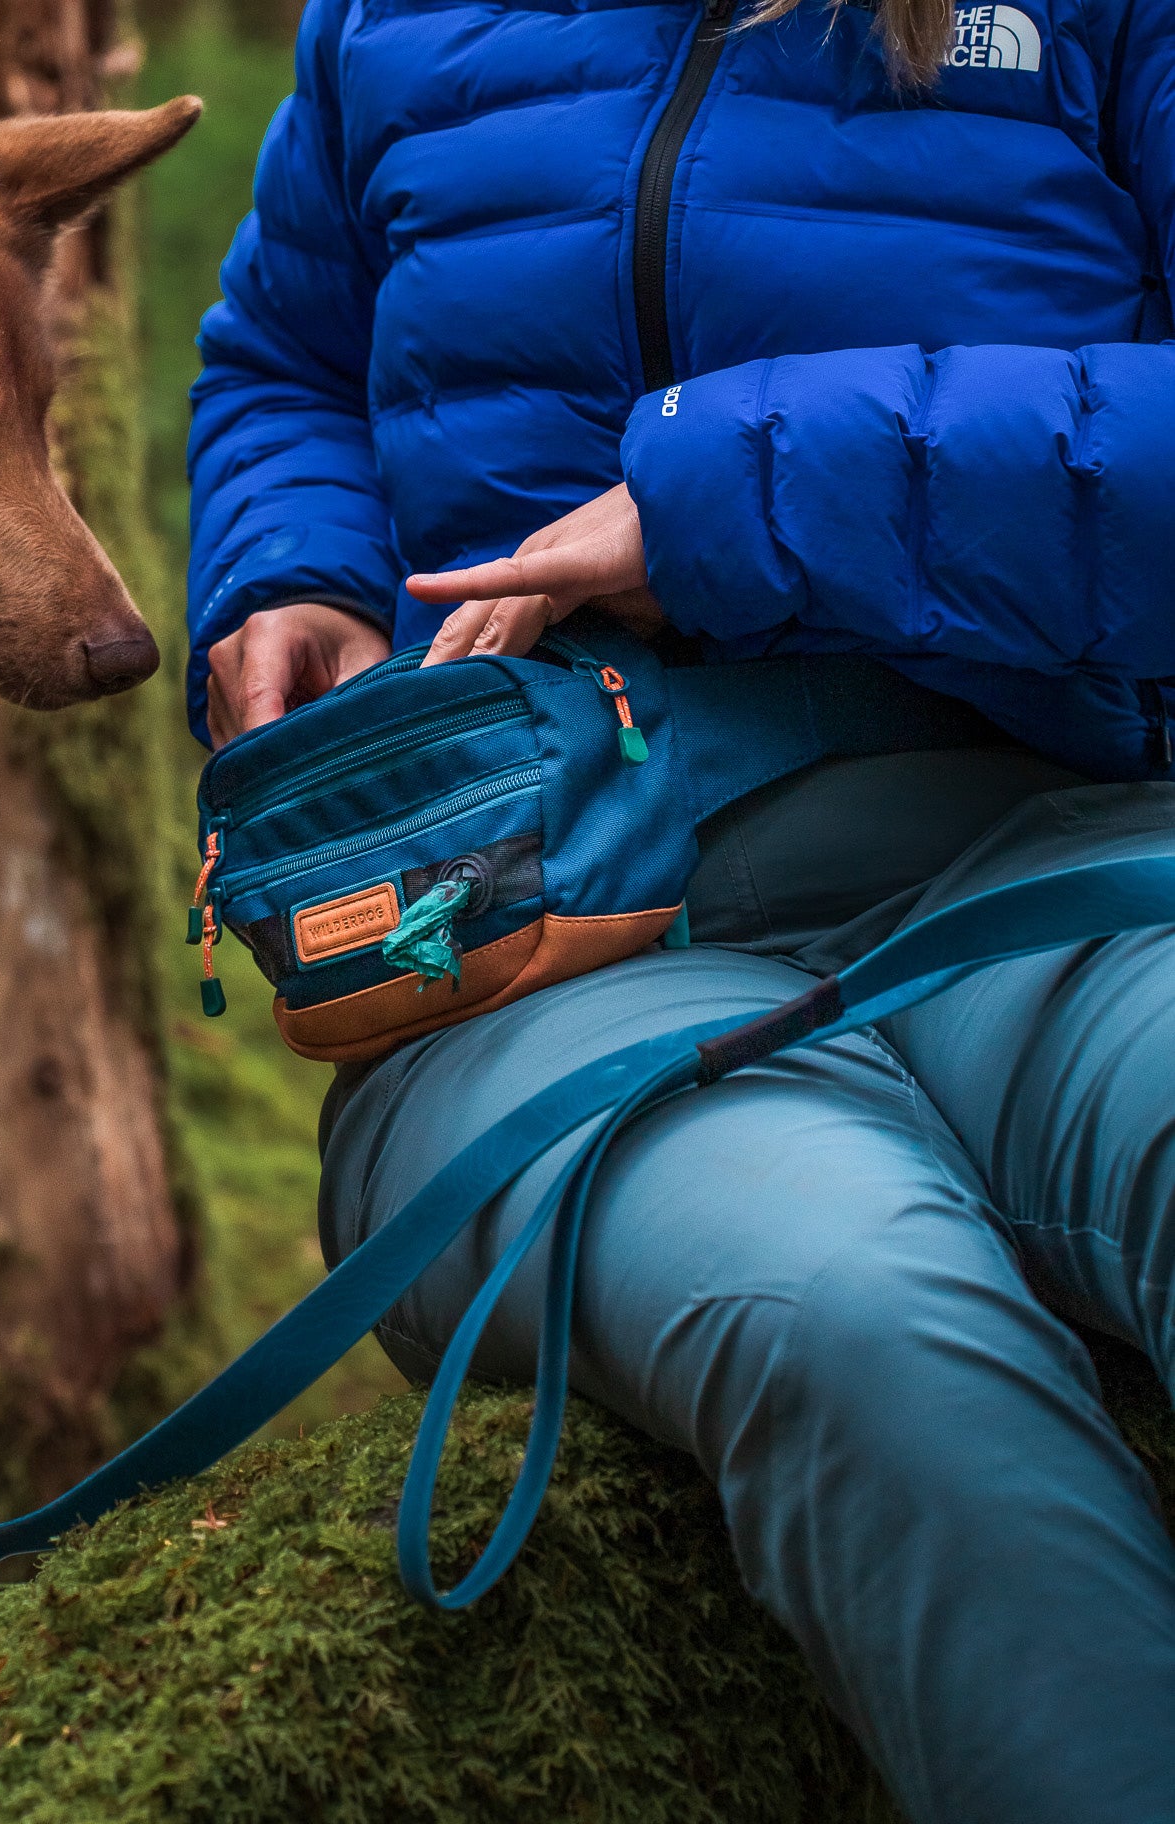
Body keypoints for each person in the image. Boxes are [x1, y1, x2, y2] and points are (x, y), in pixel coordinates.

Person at [183, 0, 1175, 1818]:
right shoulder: (383, 24)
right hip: (537, 944)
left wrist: (742, 488)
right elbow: (286, 359)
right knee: (838, 1303)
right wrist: (293, 570)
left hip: (1067, 853)